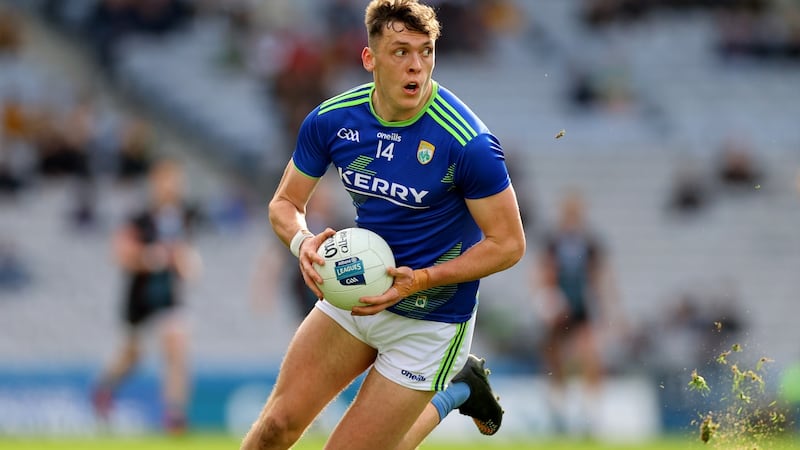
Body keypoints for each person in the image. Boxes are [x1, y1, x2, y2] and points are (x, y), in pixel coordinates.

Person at [241, 1, 526, 449]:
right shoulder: (334, 120)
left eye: (426, 51)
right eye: (400, 52)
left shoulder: (467, 143)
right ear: (369, 58)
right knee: (274, 428)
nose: (416, 65)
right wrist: (302, 243)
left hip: (430, 321)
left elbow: (508, 244)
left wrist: (424, 279)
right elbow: (284, 203)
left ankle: (457, 388)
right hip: (353, 294)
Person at [91, 159, 202, 433]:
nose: (171, 187)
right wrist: (148, 258)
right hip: (140, 300)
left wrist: (186, 263)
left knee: (177, 345)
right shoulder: (140, 218)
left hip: (170, 298)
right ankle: (104, 389)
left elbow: (189, 258)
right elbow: (120, 252)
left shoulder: (184, 218)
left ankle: (175, 416)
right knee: (132, 355)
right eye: (165, 181)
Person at [531, 189, 623, 435]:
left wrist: (608, 310)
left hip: (581, 308)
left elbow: (599, 277)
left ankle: (591, 416)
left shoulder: (590, 242)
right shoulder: (553, 240)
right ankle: (557, 413)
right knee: (555, 362)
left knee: (590, 358)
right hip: (558, 309)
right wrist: (545, 300)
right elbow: (543, 272)